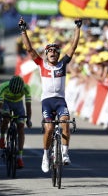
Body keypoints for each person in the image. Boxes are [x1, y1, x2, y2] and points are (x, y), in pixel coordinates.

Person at [18, 16, 82, 173]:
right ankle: (46, 156)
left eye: (55, 51)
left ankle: (65, 153)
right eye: (50, 51)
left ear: (58, 54)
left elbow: (73, 47)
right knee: (49, 128)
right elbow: (29, 49)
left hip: (60, 101)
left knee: (65, 122)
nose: (53, 53)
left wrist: (77, 28)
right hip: (47, 101)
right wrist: (23, 31)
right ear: (46, 55)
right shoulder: (41, 64)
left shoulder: (63, 64)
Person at [0, 75, 32, 169]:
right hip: (6, 103)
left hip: (18, 104)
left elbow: (28, 106)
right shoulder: (3, 87)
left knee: (21, 126)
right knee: (6, 119)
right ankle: (2, 137)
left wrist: (28, 119)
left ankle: (20, 157)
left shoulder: (26, 88)